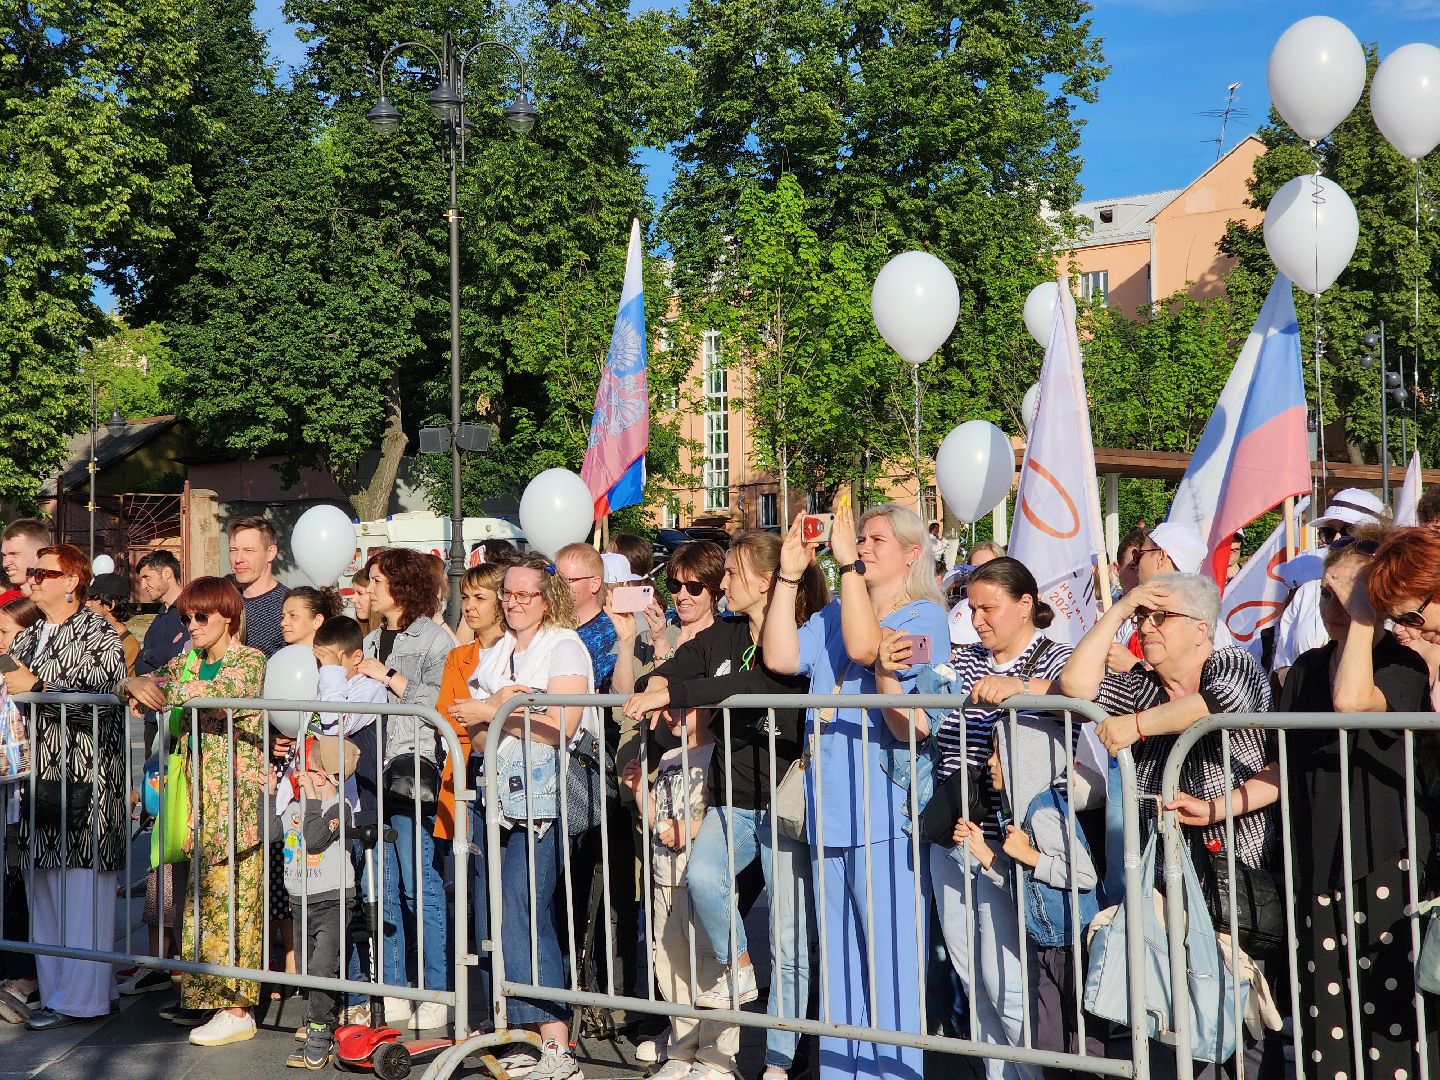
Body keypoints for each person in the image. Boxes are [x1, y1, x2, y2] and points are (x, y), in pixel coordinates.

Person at [625, 529, 827, 1080]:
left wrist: (675, 693)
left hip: (786, 803)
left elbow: (756, 682)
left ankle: (781, 1060)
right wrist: (657, 679)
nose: (724, 583)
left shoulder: (799, 635)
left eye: (733, 574)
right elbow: (682, 664)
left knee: (788, 939)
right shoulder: (726, 632)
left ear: (766, 583)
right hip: (733, 800)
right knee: (703, 876)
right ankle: (739, 965)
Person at [762, 501, 949, 1080]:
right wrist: (788, 576)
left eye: (876, 540)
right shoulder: (839, 609)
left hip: (886, 814)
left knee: (889, 963)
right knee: (840, 966)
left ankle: (894, 1073)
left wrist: (844, 566)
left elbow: (868, 651)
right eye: (860, 539)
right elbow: (780, 656)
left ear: (912, 554)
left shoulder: (925, 616)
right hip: (831, 808)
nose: (863, 547)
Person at [876, 557, 1075, 1079]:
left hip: (1011, 844)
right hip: (953, 834)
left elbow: (1087, 695)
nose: (978, 619)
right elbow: (914, 727)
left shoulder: (1058, 659)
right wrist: (885, 675)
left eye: (990, 608)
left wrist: (1023, 687)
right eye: (972, 608)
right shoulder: (960, 663)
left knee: (1008, 981)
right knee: (972, 977)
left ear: (1026, 605)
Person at [1250, 526, 1433, 1078]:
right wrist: (1217, 806)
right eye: (1327, 595)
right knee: (1324, 1019)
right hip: (1315, 862)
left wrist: (1363, 616)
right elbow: (1286, 767)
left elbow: (1352, 701)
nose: (1335, 609)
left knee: (1388, 1019)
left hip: (1384, 859)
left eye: (1350, 595)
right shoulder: (1305, 668)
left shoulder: (1403, 666)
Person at [463, 552, 596, 1080]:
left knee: (527, 910)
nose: (514, 602)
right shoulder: (497, 652)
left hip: (546, 802)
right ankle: (521, 1035)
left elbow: (563, 722)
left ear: (548, 598)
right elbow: (475, 736)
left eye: (525, 594)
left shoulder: (564, 645)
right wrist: (501, 709)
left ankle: (557, 1045)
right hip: (496, 797)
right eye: (509, 593)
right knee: (495, 914)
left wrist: (495, 710)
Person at [122, 576, 268, 1045]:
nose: (192, 625)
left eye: (201, 616)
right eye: (186, 617)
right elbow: (152, 681)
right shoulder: (189, 660)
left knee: (235, 901)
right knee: (200, 903)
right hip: (193, 797)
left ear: (228, 615)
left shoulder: (249, 659)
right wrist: (133, 683)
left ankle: (238, 1005)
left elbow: (214, 695)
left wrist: (157, 689)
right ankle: (206, 998)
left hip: (233, 798)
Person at [1059, 572, 1275, 874]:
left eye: (1161, 617)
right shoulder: (1144, 686)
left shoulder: (1234, 662)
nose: (1146, 627)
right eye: (1141, 617)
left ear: (1200, 629)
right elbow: (1075, 686)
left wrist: (1135, 725)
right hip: (1163, 872)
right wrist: (1119, 611)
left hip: (1243, 871)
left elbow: (1219, 703)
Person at [1, 546, 126, 1032]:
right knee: (46, 892)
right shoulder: (30, 635)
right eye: (32, 571)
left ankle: (82, 1000)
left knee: (82, 892)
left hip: (87, 778)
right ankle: (58, 994)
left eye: (43, 572)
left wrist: (38, 686)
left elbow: (104, 691)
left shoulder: (98, 631)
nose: (32, 579)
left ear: (71, 581)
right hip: (39, 780)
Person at [948, 718, 1100, 1075]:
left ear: (1023, 761)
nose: (989, 762)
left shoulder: (1044, 813)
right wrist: (985, 854)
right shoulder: (1016, 814)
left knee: (1086, 1044)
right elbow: (1024, 884)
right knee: (1050, 1045)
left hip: (1074, 946)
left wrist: (1030, 856)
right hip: (1047, 948)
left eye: (998, 754)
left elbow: (1085, 875)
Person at [355, 547, 455, 1028]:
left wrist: (389, 676)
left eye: (378, 581)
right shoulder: (371, 639)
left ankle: (436, 989)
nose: (370, 589)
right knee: (383, 885)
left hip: (410, 766)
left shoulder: (434, 638)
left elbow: (438, 702)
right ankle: (393, 988)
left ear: (402, 585)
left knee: (420, 882)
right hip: (369, 771)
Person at [619, 706, 737, 1080]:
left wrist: (691, 829)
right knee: (671, 967)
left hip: (703, 881)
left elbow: (730, 817)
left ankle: (717, 1057)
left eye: (680, 709)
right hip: (664, 877)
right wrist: (640, 790)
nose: (671, 717)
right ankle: (682, 1048)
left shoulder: (720, 754)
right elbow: (656, 818)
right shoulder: (670, 757)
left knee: (713, 969)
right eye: (667, 711)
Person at [269, 737, 359, 1071]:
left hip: (332, 900)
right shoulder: (297, 805)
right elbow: (270, 832)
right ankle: (322, 1017)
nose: (297, 775)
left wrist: (308, 802)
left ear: (320, 776)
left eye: (303, 770)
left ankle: (319, 1028)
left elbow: (316, 838)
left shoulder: (338, 807)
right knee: (308, 970)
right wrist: (268, 794)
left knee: (322, 966)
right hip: (300, 901)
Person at [1271, 488, 1387, 681]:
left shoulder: (1390, 592)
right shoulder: (1306, 591)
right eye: (1328, 532)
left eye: (1348, 531)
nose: (1337, 539)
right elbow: (1283, 663)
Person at [555, 543, 618, 692]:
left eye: (566, 581)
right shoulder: (551, 624)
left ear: (594, 584)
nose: (557, 587)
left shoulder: (609, 633)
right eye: (555, 580)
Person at [227, 518, 289, 658]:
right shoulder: (224, 603)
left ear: (270, 553)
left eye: (248, 550)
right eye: (233, 550)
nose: (238, 559)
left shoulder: (287, 605)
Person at [86, 573, 139, 675]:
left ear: (110, 605)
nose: (87, 604)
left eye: (94, 599)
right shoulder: (89, 633)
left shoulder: (128, 644)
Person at [0, 519, 49, 603]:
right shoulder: (4, 603)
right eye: (4, 555)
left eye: (14, 554)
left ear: (40, 555)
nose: (5, 564)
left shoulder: (61, 597)